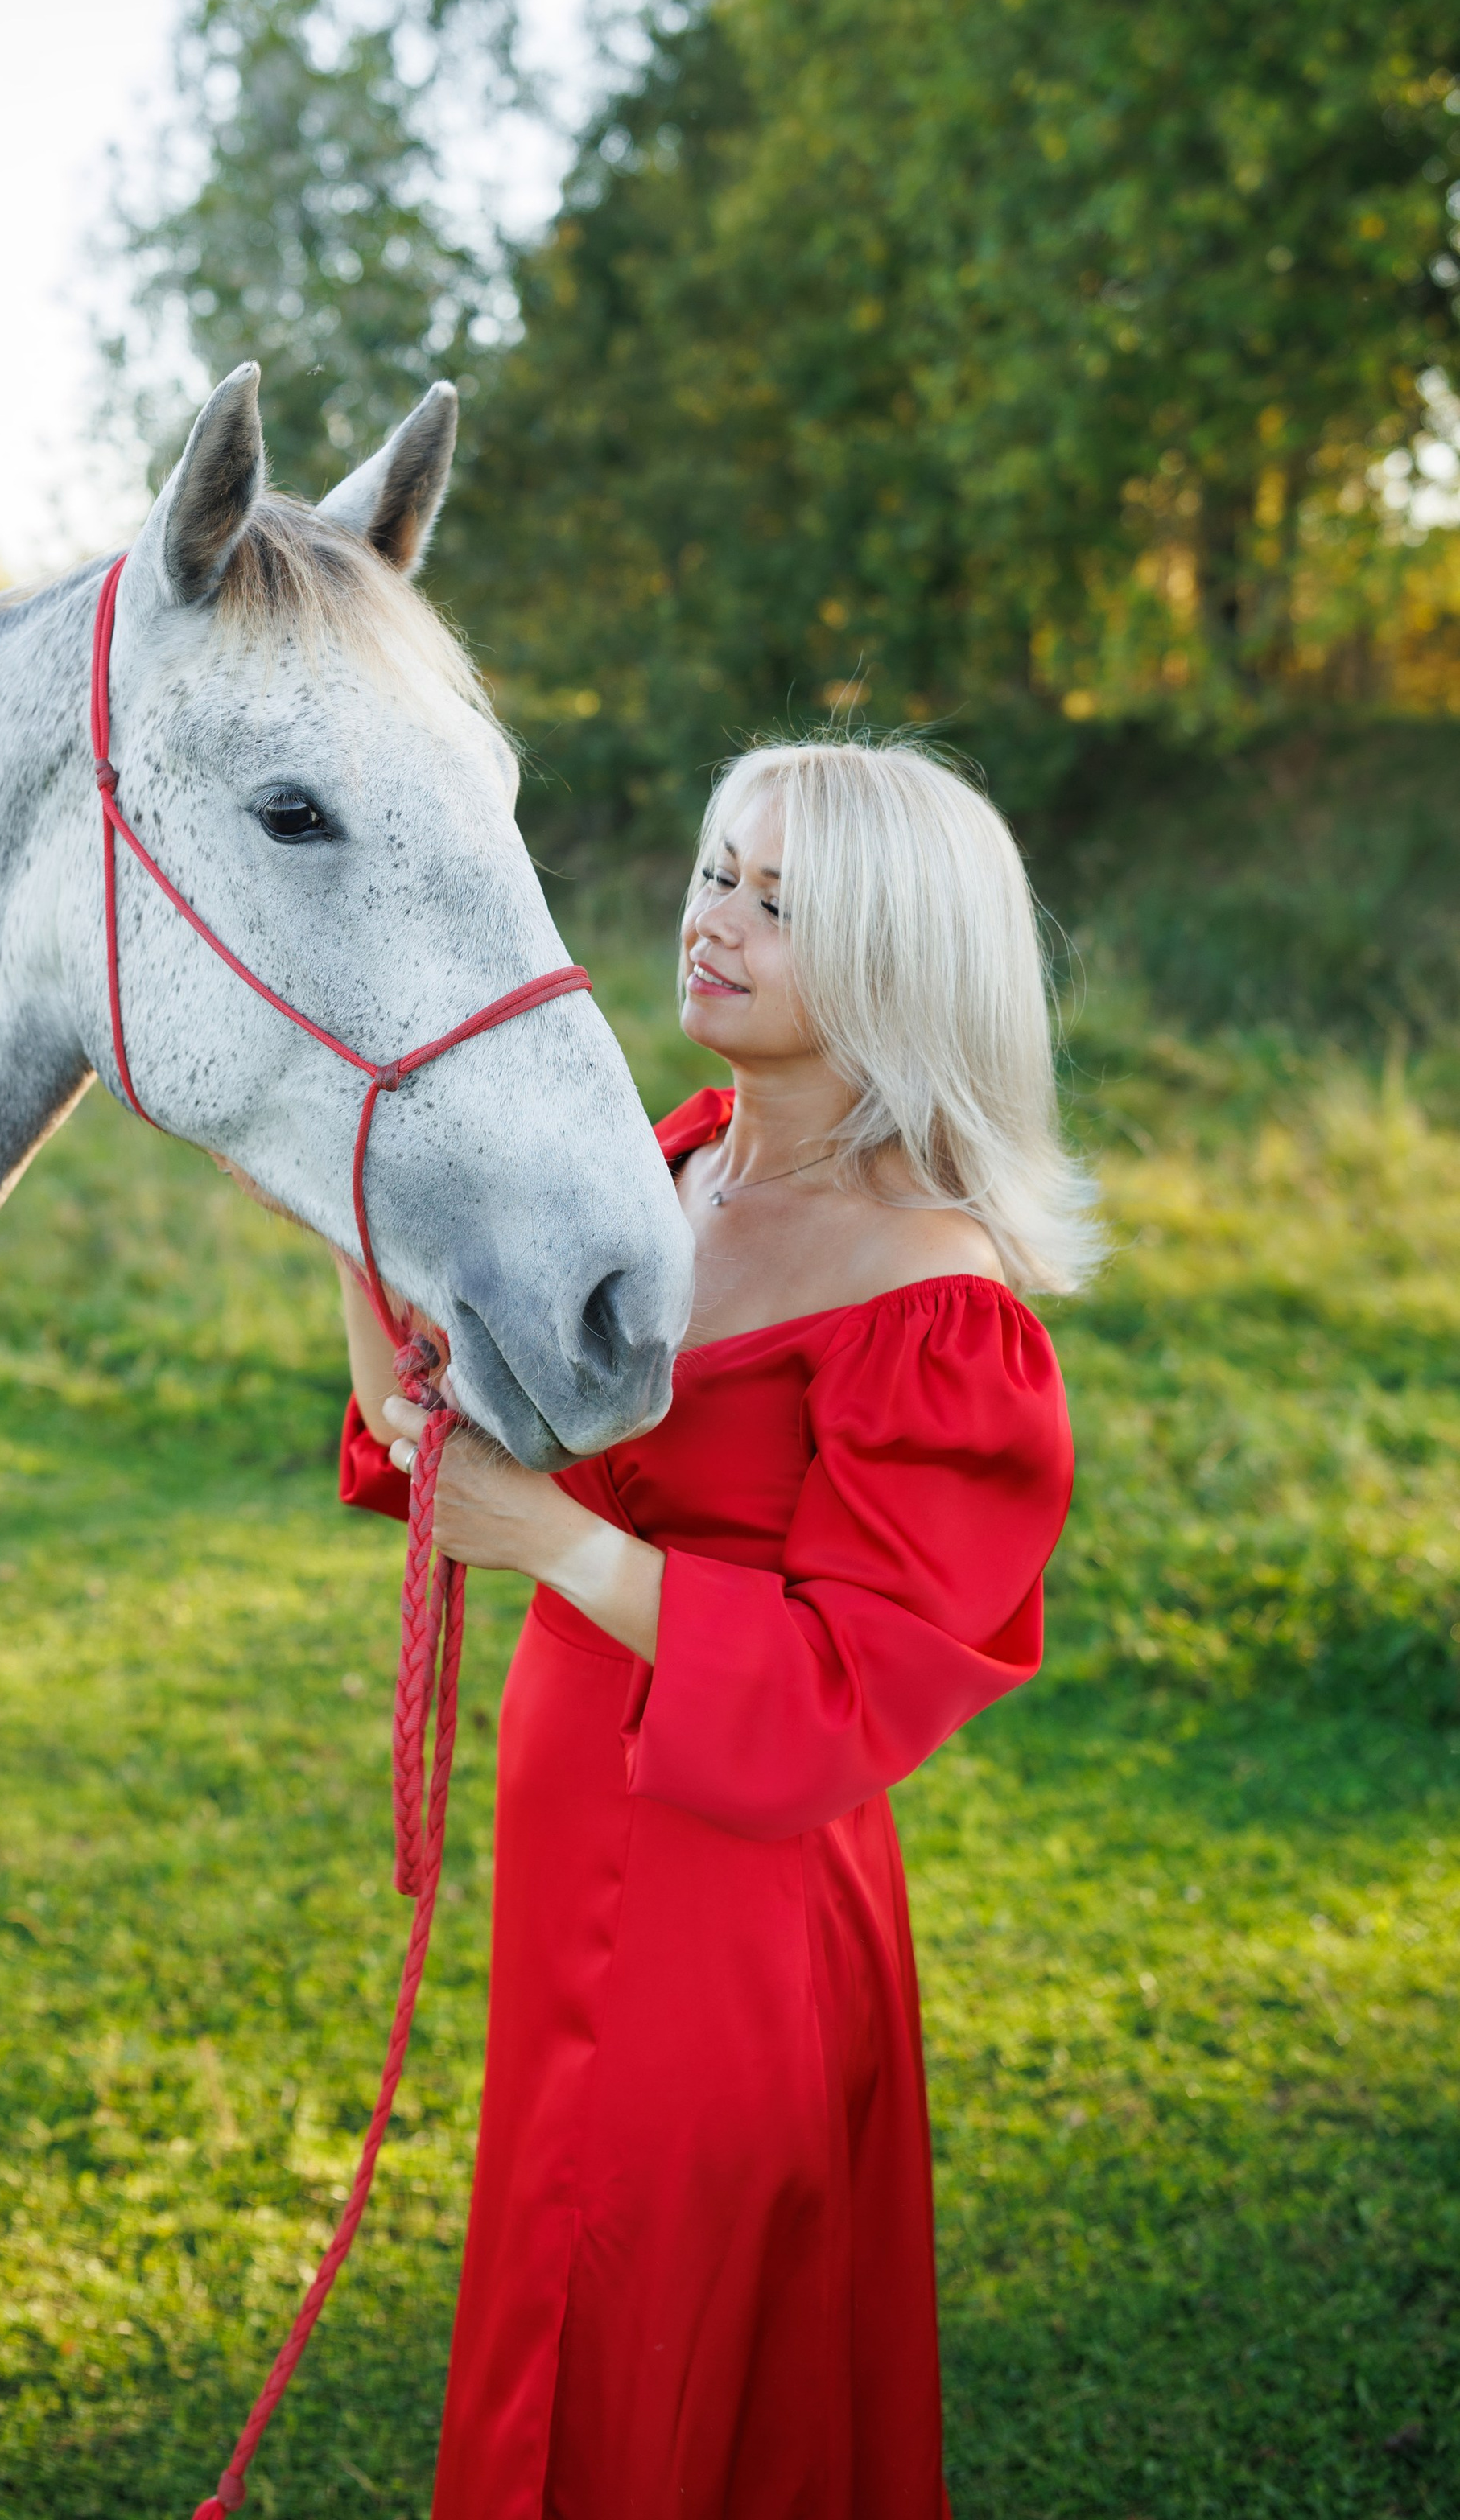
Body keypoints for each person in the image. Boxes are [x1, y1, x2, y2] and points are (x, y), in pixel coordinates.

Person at [334, 739, 1098, 2520]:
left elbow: (856, 1674)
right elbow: (453, 1426)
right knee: (558, 2241)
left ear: (901, 961)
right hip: (573, 1821)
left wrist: (556, 1548)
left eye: (780, 901)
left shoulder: (933, 1289)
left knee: (659, 2289)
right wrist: (346, 1239)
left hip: (730, 1877)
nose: (713, 921)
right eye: (711, 872)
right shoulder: (664, 1169)